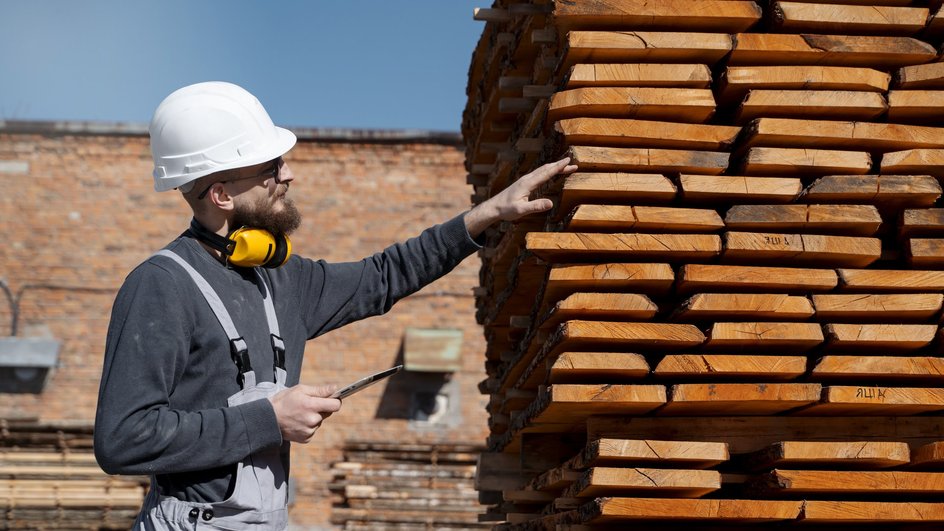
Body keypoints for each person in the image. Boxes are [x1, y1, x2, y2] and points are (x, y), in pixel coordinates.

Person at [93, 81, 577, 530]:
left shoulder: (282, 279)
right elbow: (123, 438)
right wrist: (270, 419)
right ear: (220, 194)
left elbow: (384, 275)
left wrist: (487, 215)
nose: (289, 175)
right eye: (269, 168)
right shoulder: (161, 286)